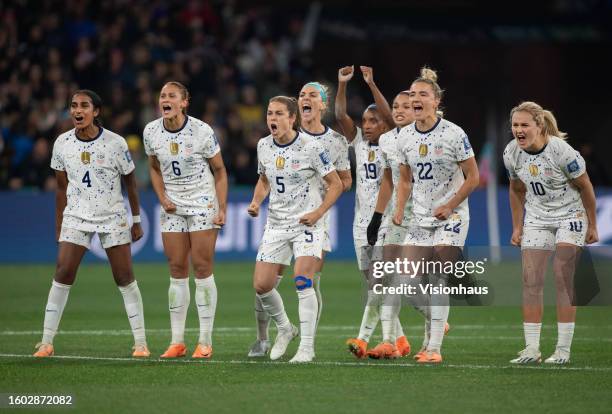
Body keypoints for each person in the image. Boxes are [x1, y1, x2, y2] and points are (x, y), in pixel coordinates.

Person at [34, 90, 149, 358]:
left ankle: (141, 343)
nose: (78, 110)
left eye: (84, 106)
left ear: (96, 112)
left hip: (112, 215)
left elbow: (130, 182)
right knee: (63, 272)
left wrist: (135, 219)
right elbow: (61, 188)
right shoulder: (62, 143)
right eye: (74, 106)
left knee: (124, 277)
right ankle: (46, 342)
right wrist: (59, 224)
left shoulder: (115, 143)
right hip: (77, 214)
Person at [247, 81, 352, 357]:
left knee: (304, 280)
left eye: (279, 114)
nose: (273, 118)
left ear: (292, 119)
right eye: (270, 113)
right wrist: (256, 201)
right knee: (261, 286)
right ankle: (284, 328)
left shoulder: (312, 146)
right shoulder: (263, 146)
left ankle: (306, 348)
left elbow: (338, 183)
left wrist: (318, 213)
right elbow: (264, 179)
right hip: (277, 224)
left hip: (308, 223)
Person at [394, 67, 479, 363]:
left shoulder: (454, 134)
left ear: (436, 100)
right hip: (419, 218)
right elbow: (405, 179)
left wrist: (450, 204)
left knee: (436, 277)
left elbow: (473, 177)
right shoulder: (404, 137)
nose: (415, 99)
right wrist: (398, 208)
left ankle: (433, 349)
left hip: (452, 218)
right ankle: (438, 320)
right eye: (412, 94)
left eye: (422, 95)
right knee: (405, 281)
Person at [503, 101, 598, 364]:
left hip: (570, 215)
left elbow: (586, 186)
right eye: (515, 125)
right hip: (536, 215)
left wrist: (592, 224)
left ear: (540, 125)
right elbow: (516, 189)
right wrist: (518, 225)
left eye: (524, 125)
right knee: (530, 279)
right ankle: (532, 349)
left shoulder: (561, 151)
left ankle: (563, 351)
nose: (518, 130)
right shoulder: (511, 152)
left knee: (562, 275)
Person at [144, 81, 228, 359]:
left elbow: (220, 171)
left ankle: (204, 342)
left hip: (203, 203)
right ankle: (177, 341)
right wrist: (162, 197)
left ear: (184, 102)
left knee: (202, 267)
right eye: (162, 96)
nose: (165, 100)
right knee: (176, 268)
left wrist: (222, 207)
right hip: (172, 207)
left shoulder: (202, 131)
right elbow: (154, 168)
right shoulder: (151, 131)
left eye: (171, 96)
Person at [334, 65, 408, 359]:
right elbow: (340, 115)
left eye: (373, 121)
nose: (367, 125)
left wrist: (372, 84)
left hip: (388, 222)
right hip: (360, 225)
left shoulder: (395, 141)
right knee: (374, 284)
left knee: (379, 282)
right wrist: (342, 85)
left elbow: (391, 117)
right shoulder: (359, 144)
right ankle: (400, 340)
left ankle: (368, 339)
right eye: (364, 120)